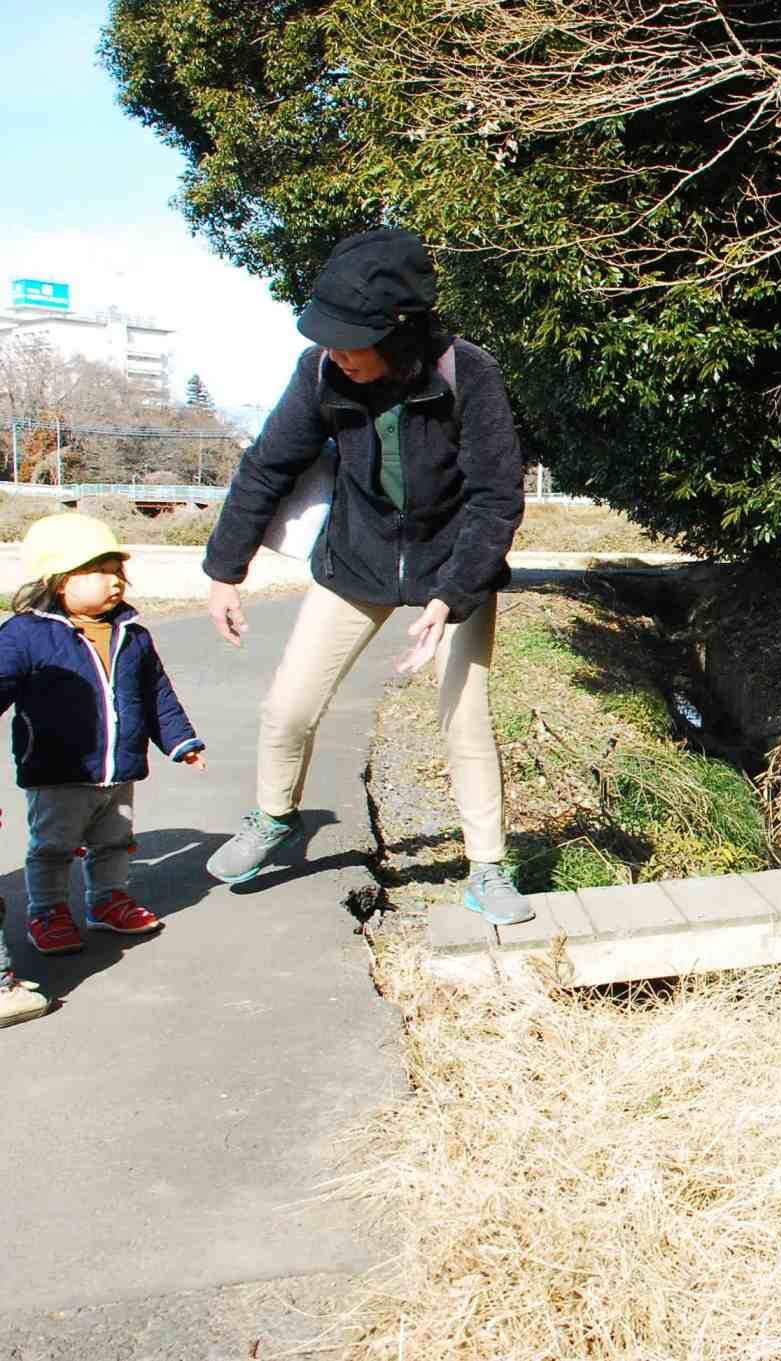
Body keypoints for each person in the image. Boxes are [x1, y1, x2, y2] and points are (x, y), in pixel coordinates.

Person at [200, 226, 534, 925]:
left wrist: (451, 596)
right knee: (288, 705)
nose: (337, 353)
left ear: (401, 331)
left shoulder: (465, 373)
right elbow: (269, 464)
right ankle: (273, 816)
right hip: (355, 558)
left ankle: (489, 868)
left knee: (462, 715)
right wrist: (225, 570)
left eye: (352, 339)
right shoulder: (320, 371)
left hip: (453, 567)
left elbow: (496, 497)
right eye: (329, 336)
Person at [0, 513, 207, 1025]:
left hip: (119, 769)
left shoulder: (132, 635)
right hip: (57, 769)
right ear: (57, 580)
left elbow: (158, 695)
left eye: (118, 568)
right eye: (98, 569)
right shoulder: (24, 635)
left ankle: (107, 900)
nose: (115, 579)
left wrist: (179, 740)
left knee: (115, 838)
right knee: (52, 846)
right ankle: (47, 911)